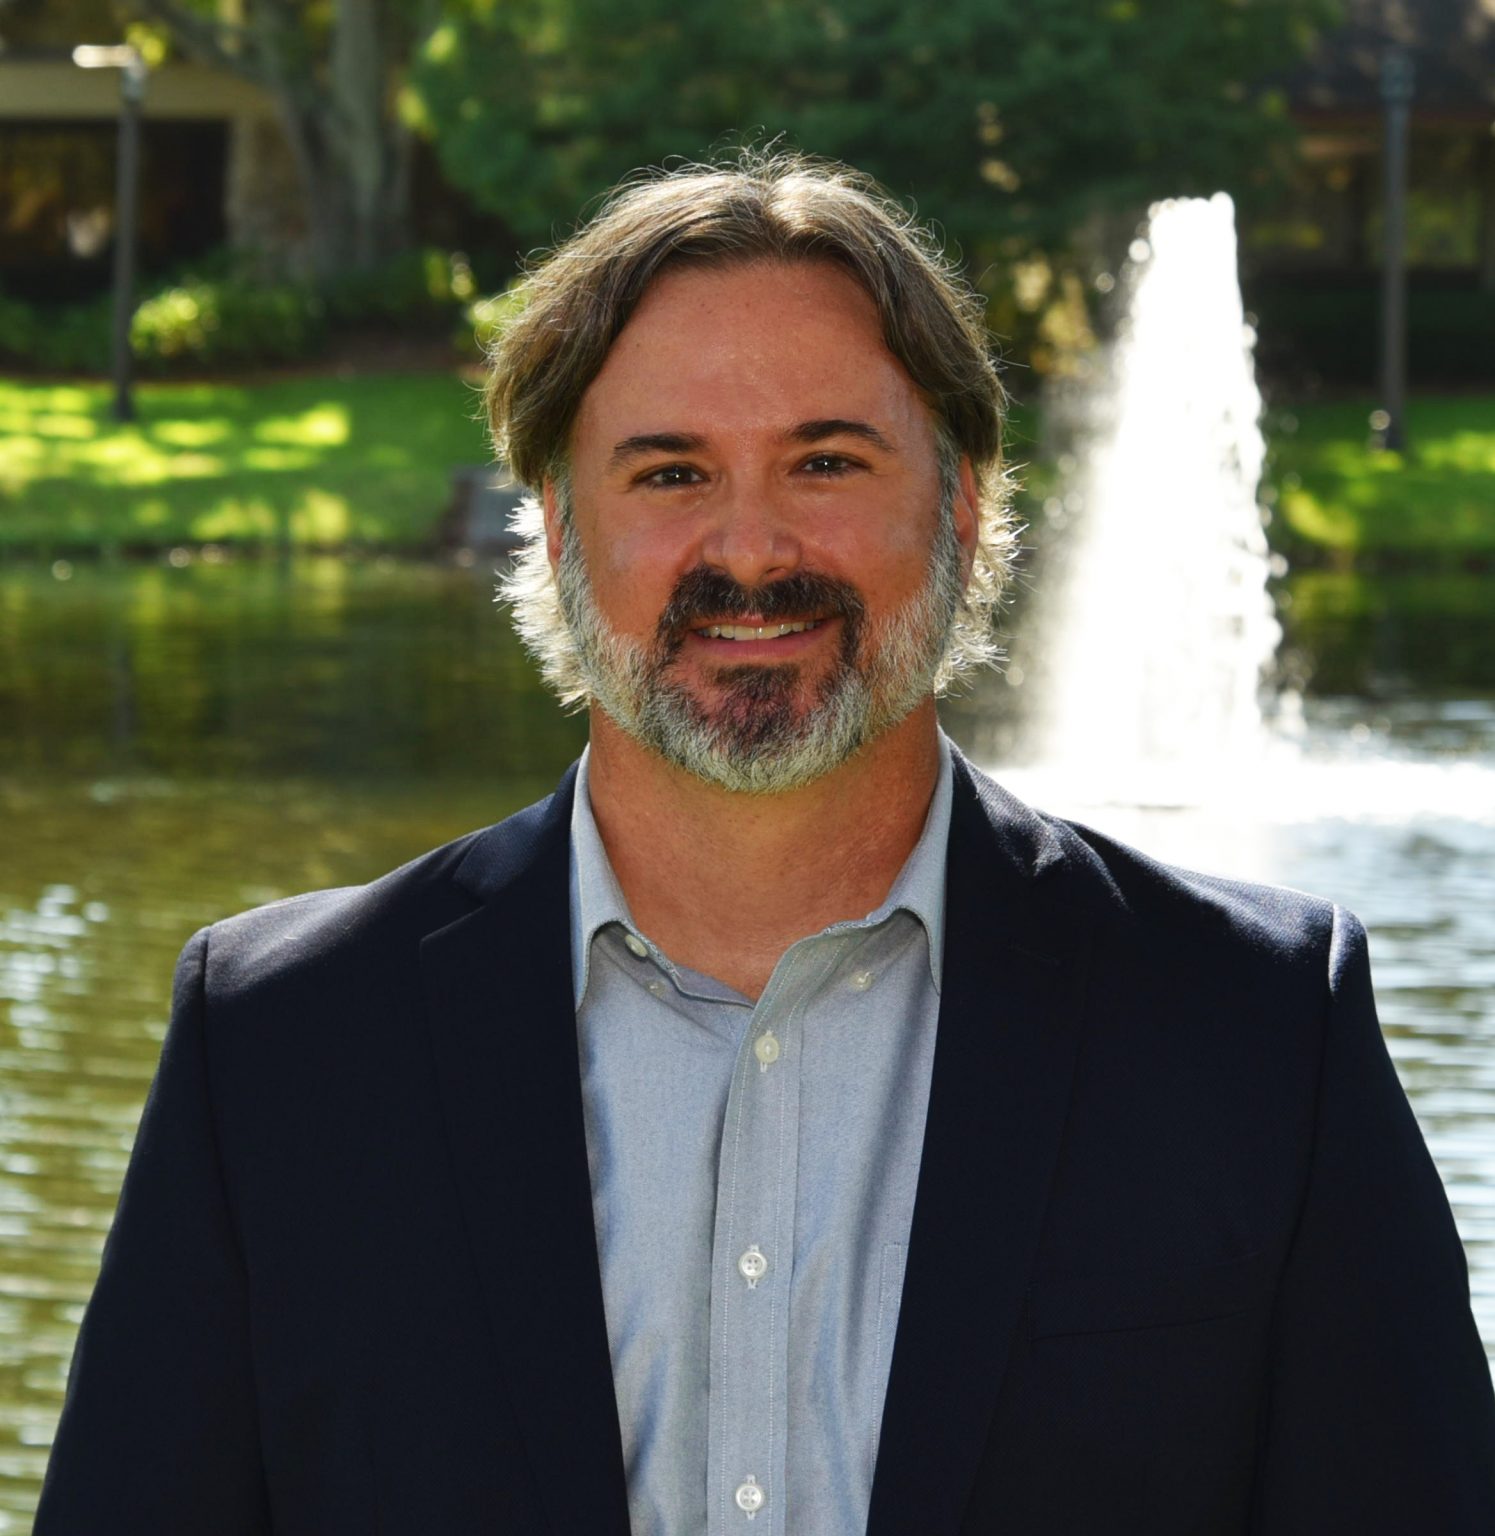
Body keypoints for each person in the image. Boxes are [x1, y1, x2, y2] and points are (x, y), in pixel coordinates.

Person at [36, 152, 1495, 1536]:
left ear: (961, 507)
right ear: (559, 529)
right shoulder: (283, 1044)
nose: (748, 550)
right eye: (670, 473)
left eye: (826, 462)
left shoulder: (1255, 1031)